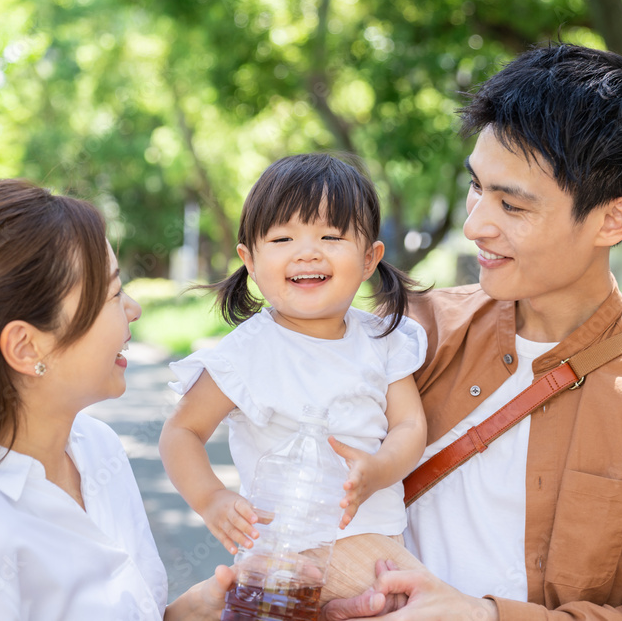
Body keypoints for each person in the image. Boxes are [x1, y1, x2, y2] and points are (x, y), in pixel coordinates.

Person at [323, 43, 622, 620]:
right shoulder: (413, 332)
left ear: (613, 219)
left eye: (512, 206)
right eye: (476, 187)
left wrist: (486, 616)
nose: (475, 225)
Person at [0, 179, 233, 620]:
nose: (134, 308)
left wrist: (184, 615)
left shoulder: (95, 446)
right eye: (112, 293)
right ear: (27, 348)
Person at [159, 153, 428, 601]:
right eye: (283, 237)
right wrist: (212, 500)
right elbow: (181, 431)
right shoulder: (247, 353)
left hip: (380, 547)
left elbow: (409, 425)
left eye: (330, 235)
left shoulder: (383, 339)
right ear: (249, 259)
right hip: (284, 561)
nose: (308, 251)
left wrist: (378, 469)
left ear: (369, 258)